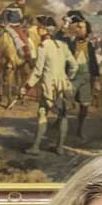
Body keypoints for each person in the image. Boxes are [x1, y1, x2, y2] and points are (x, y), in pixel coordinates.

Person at [24, 15, 77, 155]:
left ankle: (35, 147)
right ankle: (60, 148)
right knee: (63, 115)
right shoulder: (63, 45)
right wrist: (68, 78)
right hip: (63, 85)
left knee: (43, 112)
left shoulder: (43, 46)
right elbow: (74, 66)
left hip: (49, 85)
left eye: (39, 28)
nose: (38, 30)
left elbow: (37, 72)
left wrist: (26, 87)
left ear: (44, 30)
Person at [60, 11, 100, 141]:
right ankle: (61, 125)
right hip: (72, 77)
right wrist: (66, 24)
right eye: (78, 27)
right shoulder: (70, 42)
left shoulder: (90, 45)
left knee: (85, 106)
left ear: (87, 31)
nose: (79, 29)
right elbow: (59, 38)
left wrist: (96, 79)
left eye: (82, 28)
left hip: (86, 78)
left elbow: (93, 63)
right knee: (65, 102)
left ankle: (79, 130)